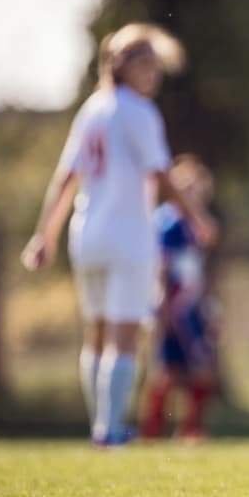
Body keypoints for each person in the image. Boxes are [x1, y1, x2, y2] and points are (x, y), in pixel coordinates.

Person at [23, 24, 215, 448]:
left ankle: (100, 426)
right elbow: (162, 172)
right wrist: (199, 217)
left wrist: (45, 235)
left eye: (155, 65)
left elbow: (65, 178)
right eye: (143, 63)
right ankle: (109, 431)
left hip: (86, 234)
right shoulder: (139, 111)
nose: (152, 73)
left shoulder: (92, 109)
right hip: (128, 236)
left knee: (96, 331)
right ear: (119, 64)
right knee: (122, 334)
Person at [142, 155, 221, 442]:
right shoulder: (167, 221)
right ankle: (152, 432)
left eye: (197, 188)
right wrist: (161, 304)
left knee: (199, 368)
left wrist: (209, 305)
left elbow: (209, 238)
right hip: (173, 306)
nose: (193, 193)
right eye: (186, 187)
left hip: (191, 305)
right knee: (167, 371)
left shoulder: (192, 222)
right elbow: (162, 265)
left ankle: (190, 429)